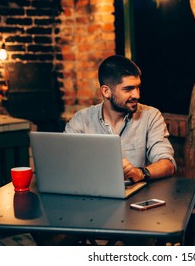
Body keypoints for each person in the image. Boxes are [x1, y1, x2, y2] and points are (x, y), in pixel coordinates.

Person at [32, 55, 176, 245]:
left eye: (138, 87)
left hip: (133, 206)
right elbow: (62, 166)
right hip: (87, 204)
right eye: (128, 89)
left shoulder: (150, 116)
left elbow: (168, 163)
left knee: (146, 240)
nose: (137, 94)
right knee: (50, 235)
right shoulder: (82, 120)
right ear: (106, 91)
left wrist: (140, 173)